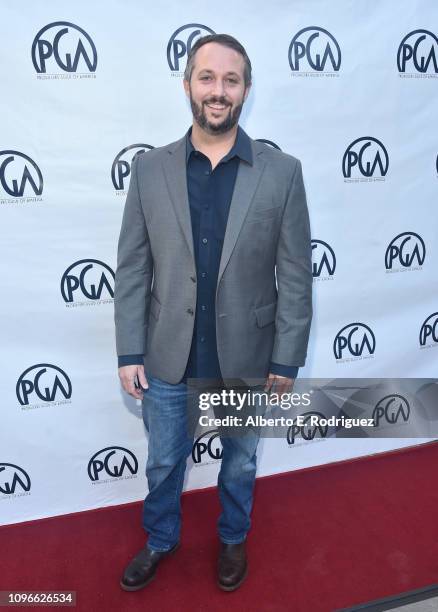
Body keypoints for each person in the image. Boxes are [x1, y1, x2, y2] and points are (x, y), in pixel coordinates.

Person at [114, 33, 312, 592]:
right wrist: (130, 348)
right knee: (162, 464)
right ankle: (160, 538)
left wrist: (287, 358)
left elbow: (295, 274)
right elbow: (132, 267)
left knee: (241, 463)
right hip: (167, 352)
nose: (218, 91)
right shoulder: (150, 171)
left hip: (246, 357)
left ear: (246, 89)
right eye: (207, 78)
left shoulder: (283, 172)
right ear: (187, 86)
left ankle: (232, 537)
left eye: (230, 79)